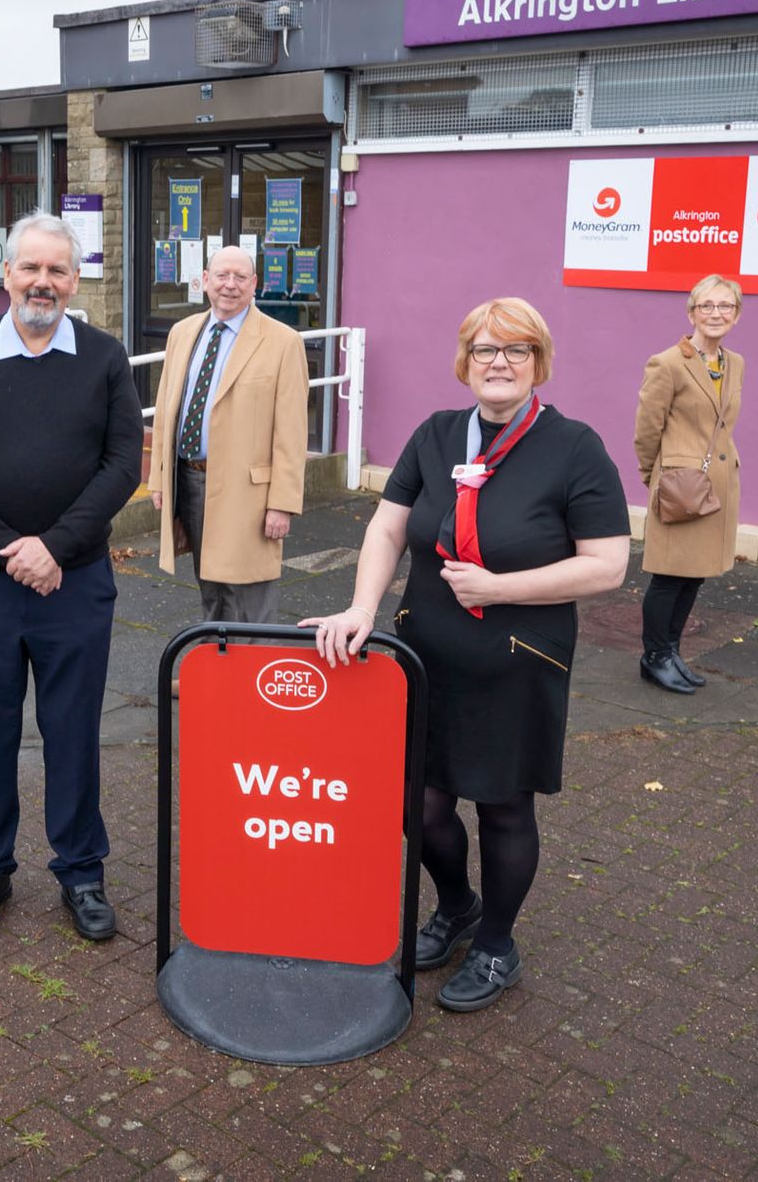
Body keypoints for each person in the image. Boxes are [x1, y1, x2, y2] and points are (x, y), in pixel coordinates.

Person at [303, 299, 629, 1011]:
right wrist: (362, 606)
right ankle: (457, 907)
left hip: (516, 660)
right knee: (418, 802)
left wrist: (500, 585)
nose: (498, 362)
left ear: (539, 362)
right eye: (484, 349)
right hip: (427, 655)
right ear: (465, 361)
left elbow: (607, 565)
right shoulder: (436, 434)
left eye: (516, 350)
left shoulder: (575, 447)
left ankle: (496, 946)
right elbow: (387, 530)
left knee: (503, 809)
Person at [0, 212, 143, 942]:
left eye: (58, 270)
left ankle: (81, 870)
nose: (43, 282)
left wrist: (56, 547)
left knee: (73, 730)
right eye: (30, 268)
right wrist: (13, 546)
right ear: (6, 274)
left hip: (75, 585)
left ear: (75, 281)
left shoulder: (105, 359)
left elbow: (122, 467)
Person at [148, 244, 309, 623]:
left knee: (249, 598)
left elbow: (292, 432)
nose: (230, 285)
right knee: (211, 589)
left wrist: (282, 503)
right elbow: (166, 408)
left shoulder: (283, 342)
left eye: (240, 277)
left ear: (254, 285)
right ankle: (215, 670)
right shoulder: (183, 333)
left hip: (248, 492)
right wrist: (159, 478)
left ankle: (250, 676)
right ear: (205, 281)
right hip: (190, 480)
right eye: (222, 275)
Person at [633, 275, 746, 695]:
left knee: (694, 575)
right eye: (707, 306)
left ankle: (671, 650)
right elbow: (647, 429)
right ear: (691, 312)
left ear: (736, 314)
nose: (716, 314)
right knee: (668, 576)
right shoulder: (667, 363)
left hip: (717, 488)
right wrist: (654, 478)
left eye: (725, 306)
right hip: (680, 487)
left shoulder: (735, 363)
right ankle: (655, 656)